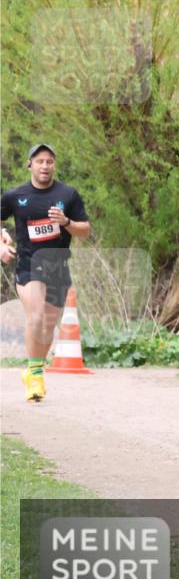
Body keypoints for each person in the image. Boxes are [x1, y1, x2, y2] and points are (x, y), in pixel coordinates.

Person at [1, 144, 91, 401]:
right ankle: (36, 374)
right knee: (36, 315)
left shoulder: (68, 194)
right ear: (30, 164)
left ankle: (33, 369)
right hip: (28, 265)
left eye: (49, 161)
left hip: (57, 266)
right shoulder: (14, 196)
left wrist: (66, 223)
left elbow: (84, 230)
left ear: (54, 165)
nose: (44, 166)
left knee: (48, 326)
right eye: (39, 161)